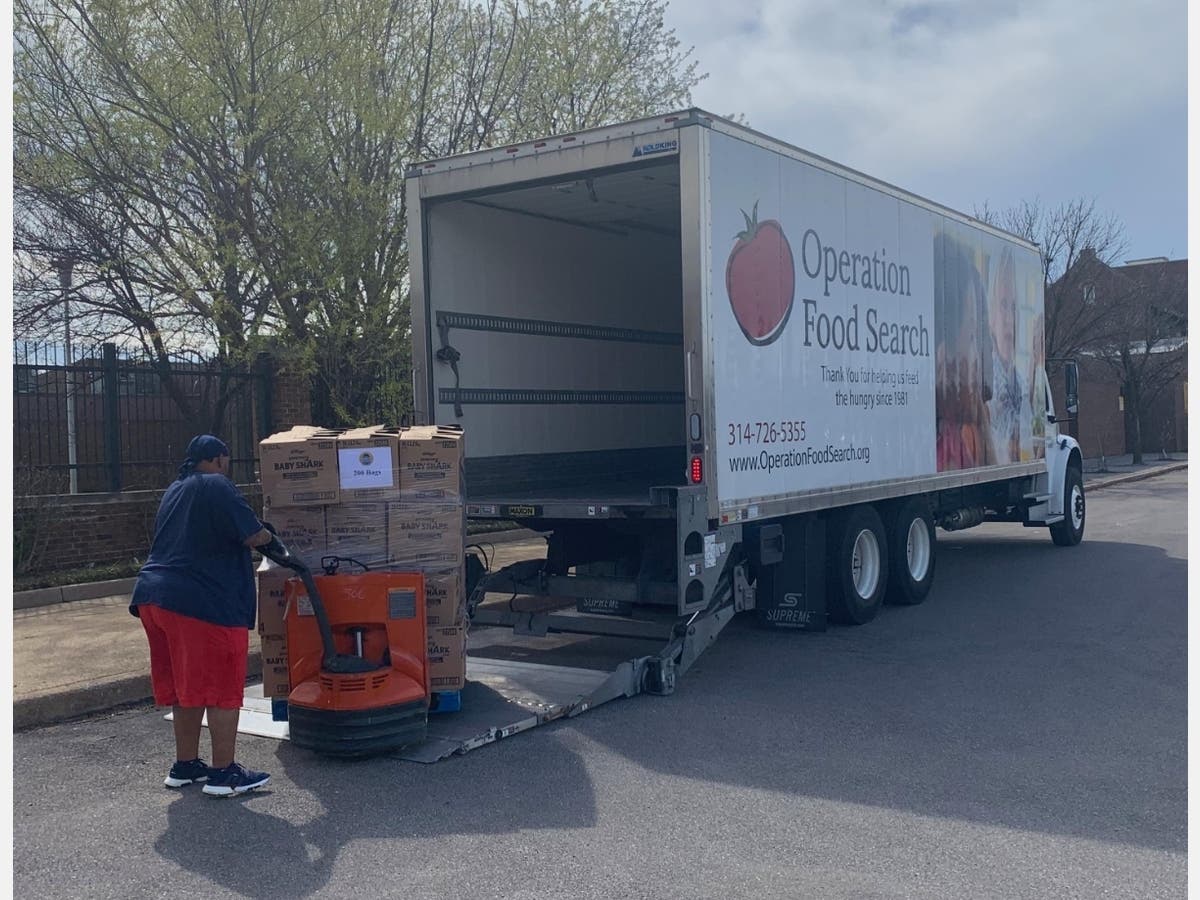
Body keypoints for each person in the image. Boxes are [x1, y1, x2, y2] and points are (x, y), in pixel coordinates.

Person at [130, 434, 275, 796]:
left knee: (187, 688)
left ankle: (185, 765)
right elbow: (254, 534)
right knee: (222, 688)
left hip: (154, 597)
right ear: (220, 459)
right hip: (202, 602)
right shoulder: (217, 485)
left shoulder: (175, 489)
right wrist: (276, 539)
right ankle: (224, 774)